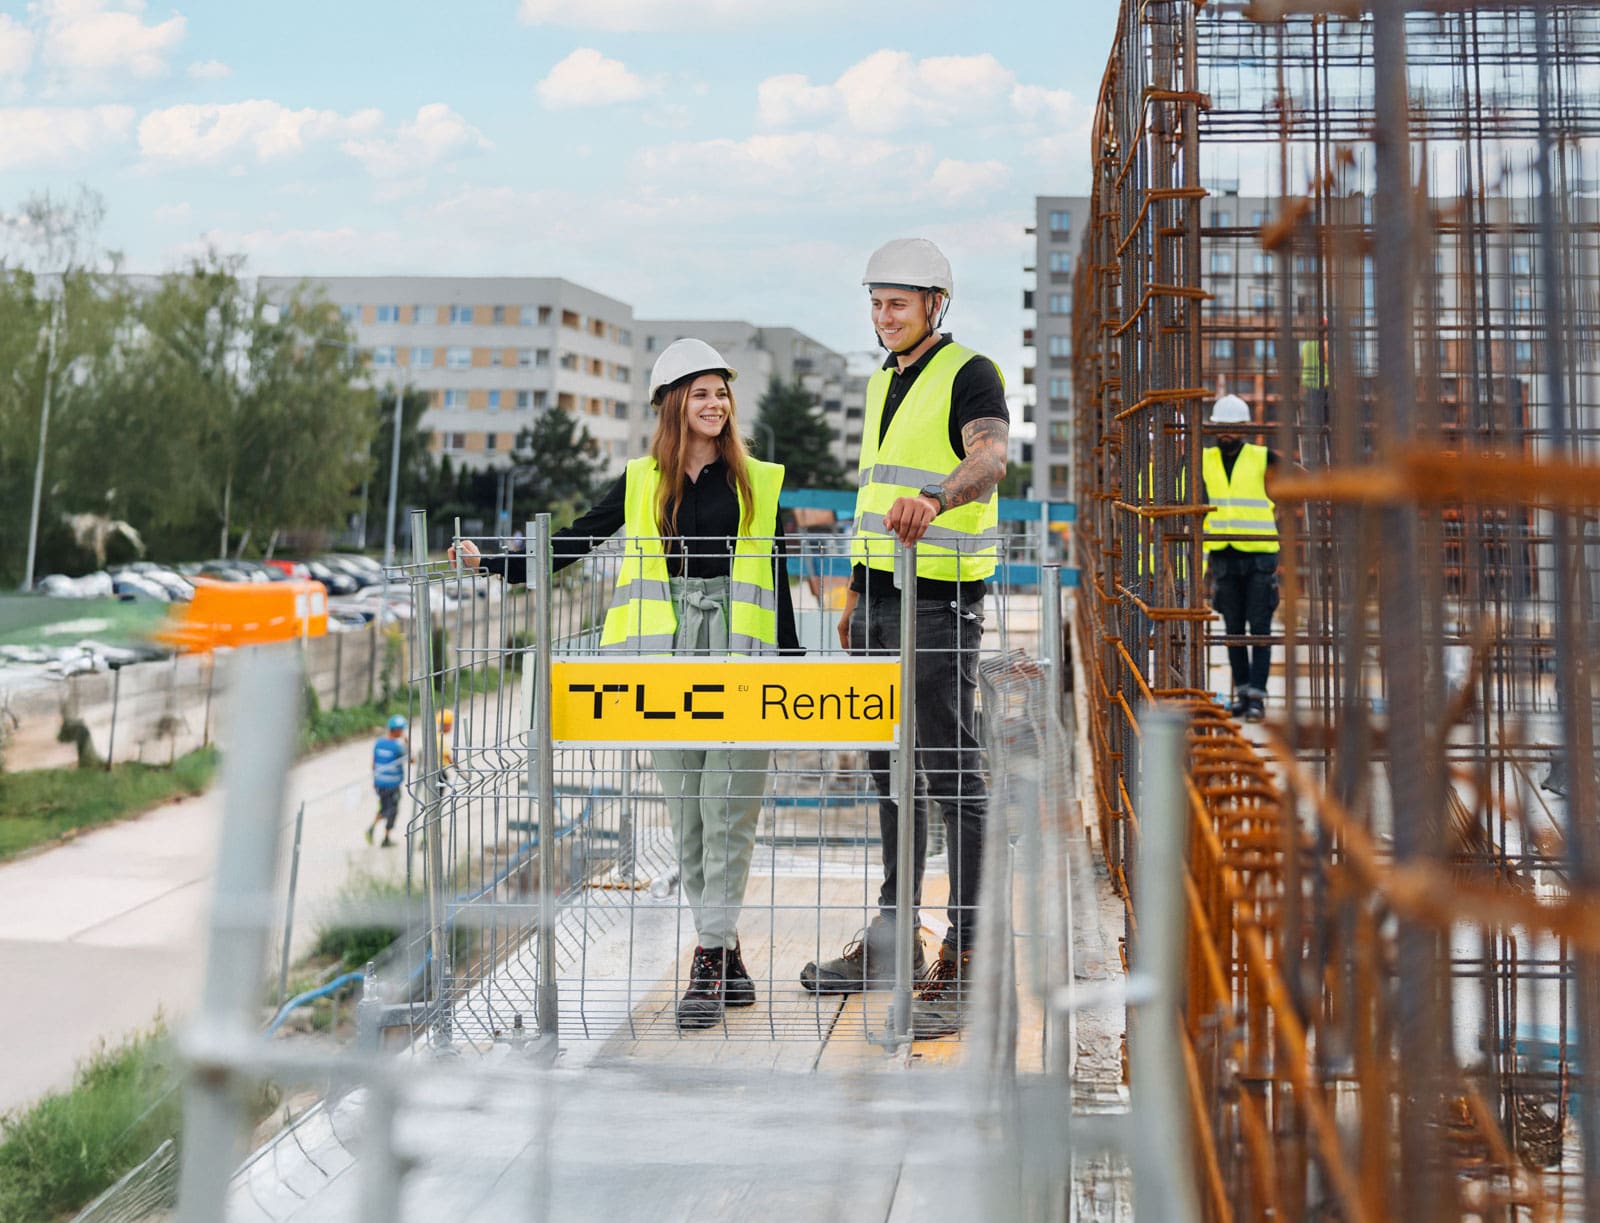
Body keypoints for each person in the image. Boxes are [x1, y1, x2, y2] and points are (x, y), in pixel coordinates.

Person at [451, 338, 801, 1031]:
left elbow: (779, 577)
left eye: (722, 392)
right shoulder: (644, 480)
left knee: (726, 804)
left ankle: (704, 954)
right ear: (673, 404)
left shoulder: (758, 479)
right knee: (689, 812)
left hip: (740, 654)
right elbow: (571, 543)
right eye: (700, 393)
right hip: (666, 663)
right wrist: (493, 556)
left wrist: (786, 670)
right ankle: (725, 950)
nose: (715, 404)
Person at [798, 237, 1009, 1040]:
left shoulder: (971, 372)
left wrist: (938, 496)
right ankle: (895, 938)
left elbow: (989, 458)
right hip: (884, 597)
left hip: (941, 597)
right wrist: (854, 594)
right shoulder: (884, 379)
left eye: (898, 302)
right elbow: (872, 494)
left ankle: (968, 952)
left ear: (935, 305)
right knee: (889, 768)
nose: (884, 316)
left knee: (954, 770)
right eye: (877, 302)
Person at [1202, 392, 1281, 722]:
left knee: (1259, 628)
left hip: (1261, 555)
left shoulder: (1264, 458)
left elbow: (1301, 481)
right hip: (1223, 554)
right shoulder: (1204, 460)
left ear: (1245, 428)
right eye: (1222, 428)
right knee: (1233, 629)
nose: (1226, 434)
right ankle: (1244, 693)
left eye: (1232, 429)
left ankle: (1257, 699)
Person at [367, 714, 410, 847]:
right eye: (401, 729)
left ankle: (373, 829)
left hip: (380, 784)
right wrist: (407, 744)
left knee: (385, 808)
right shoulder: (398, 746)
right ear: (396, 730)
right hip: (392, 785)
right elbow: (412, 759)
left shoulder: (379, 742)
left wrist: (374, 780)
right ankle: (385, 838)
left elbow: (373, 763)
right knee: (392, 810)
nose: (403, 732)